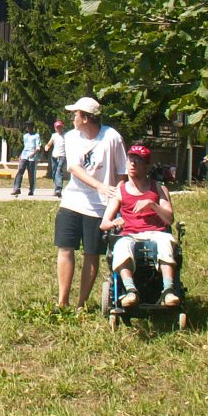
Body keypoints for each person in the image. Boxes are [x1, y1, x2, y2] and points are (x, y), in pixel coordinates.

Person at [54, 97, 127, 311]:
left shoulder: (112, 137)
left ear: (85, 118)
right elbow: (75, 168)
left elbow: (122, 171)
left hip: (100, 207)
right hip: (73, 201)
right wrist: (99, 185)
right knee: (65, 248)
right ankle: (62, 301)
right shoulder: (71, 137)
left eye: (75, 114)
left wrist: (116, 198)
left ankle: (81, 305)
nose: (72, 118)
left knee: (91, 253)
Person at [100, 144, 180, 307]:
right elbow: (104, 223)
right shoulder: (120, 191)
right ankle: (130, 291)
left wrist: (153, 205)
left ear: (146, 166)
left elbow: (169, 219)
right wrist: (114, 222)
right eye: (131, 160)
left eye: (138, 160)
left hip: (156, 232)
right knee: (121, 245)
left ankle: (168, 291)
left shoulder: (159, 188)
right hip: (129, 234)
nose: (133, 164)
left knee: (166, 242)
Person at [10, 119, 41, 197]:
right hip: (25, 155)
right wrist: (21, 155)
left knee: (31, 174)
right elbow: (25, 146)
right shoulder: (25, 136)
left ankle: (31, 189)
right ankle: (17, 188)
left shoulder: (36, 136)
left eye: (29, 126)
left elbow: (38, 147)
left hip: (32, 157)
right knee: (20, 171)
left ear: (32, 126)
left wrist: (33, 154)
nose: (28, 128)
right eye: (27, 126)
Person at [44, 120, 66, 197]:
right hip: (54, 156)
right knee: (54, 172)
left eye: (60, 127)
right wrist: (47, 147)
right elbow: (49, 143)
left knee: (59, 171)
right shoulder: (54, 136)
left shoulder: (65, 136)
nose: (59, 129)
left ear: (62, 127)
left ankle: (58, 190)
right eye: (57, 127)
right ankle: (56, 188)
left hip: (62, 156)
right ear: (55, 128)